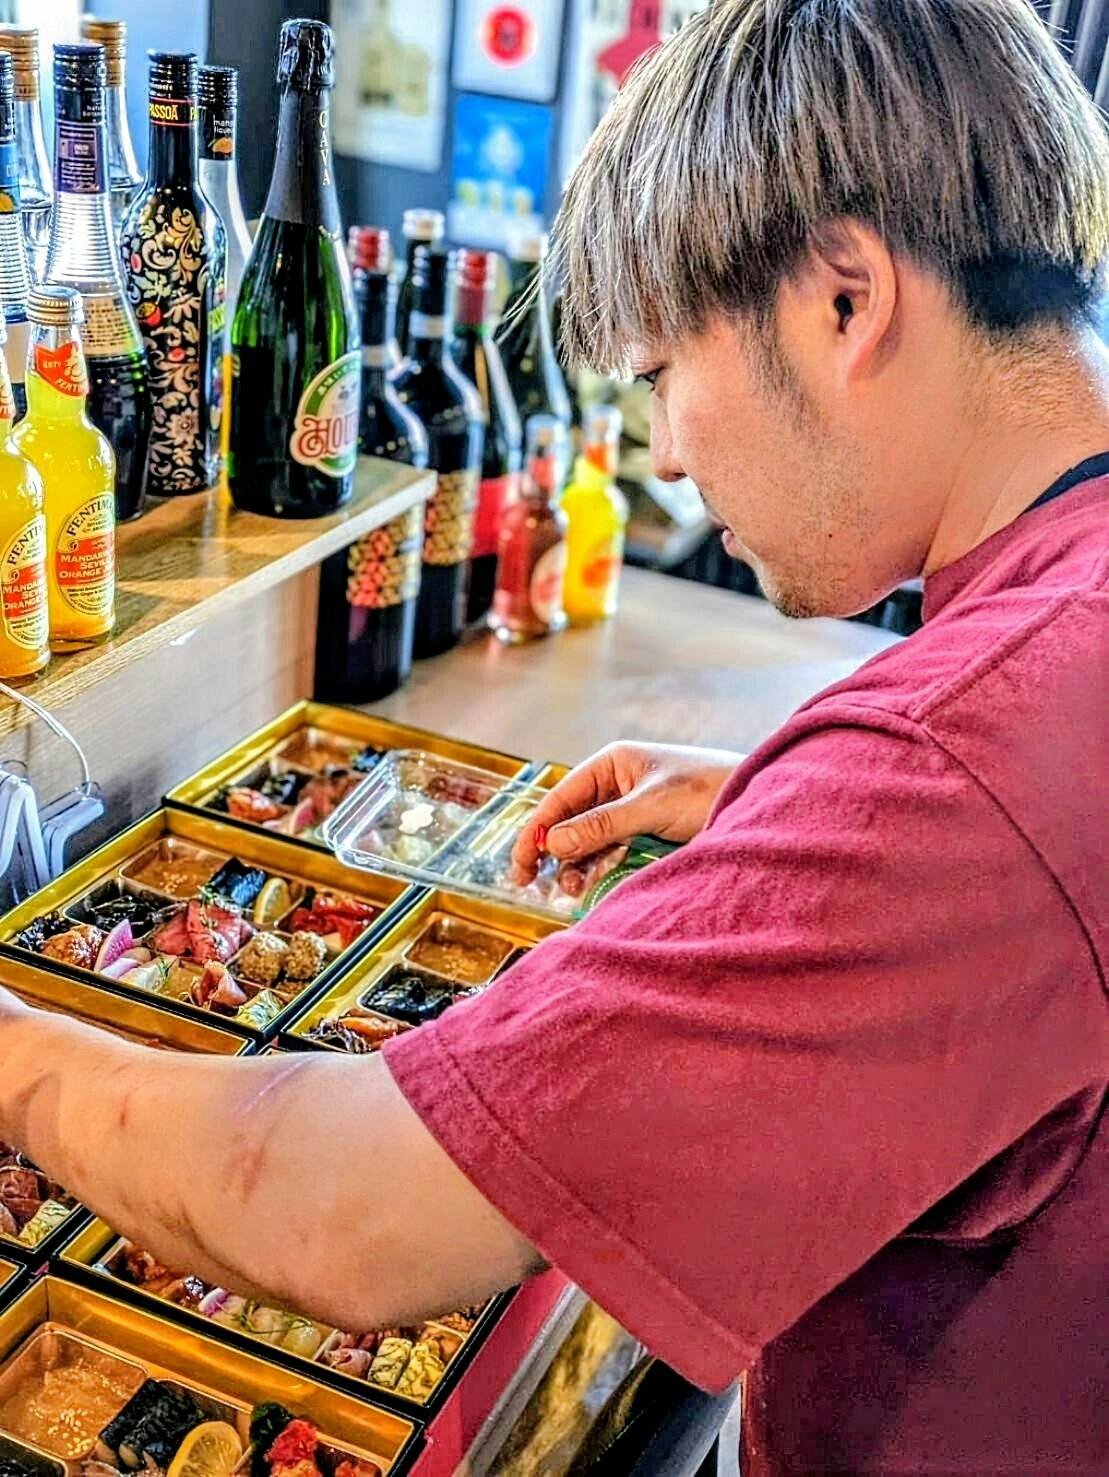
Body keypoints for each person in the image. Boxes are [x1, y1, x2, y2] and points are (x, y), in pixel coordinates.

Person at [2, 1, 1107, 1470]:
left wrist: (12, 1051)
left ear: (845, 300)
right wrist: (776, 811)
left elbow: (333, 1206)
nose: (667, 454)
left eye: (659, 375)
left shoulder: (955, 774)